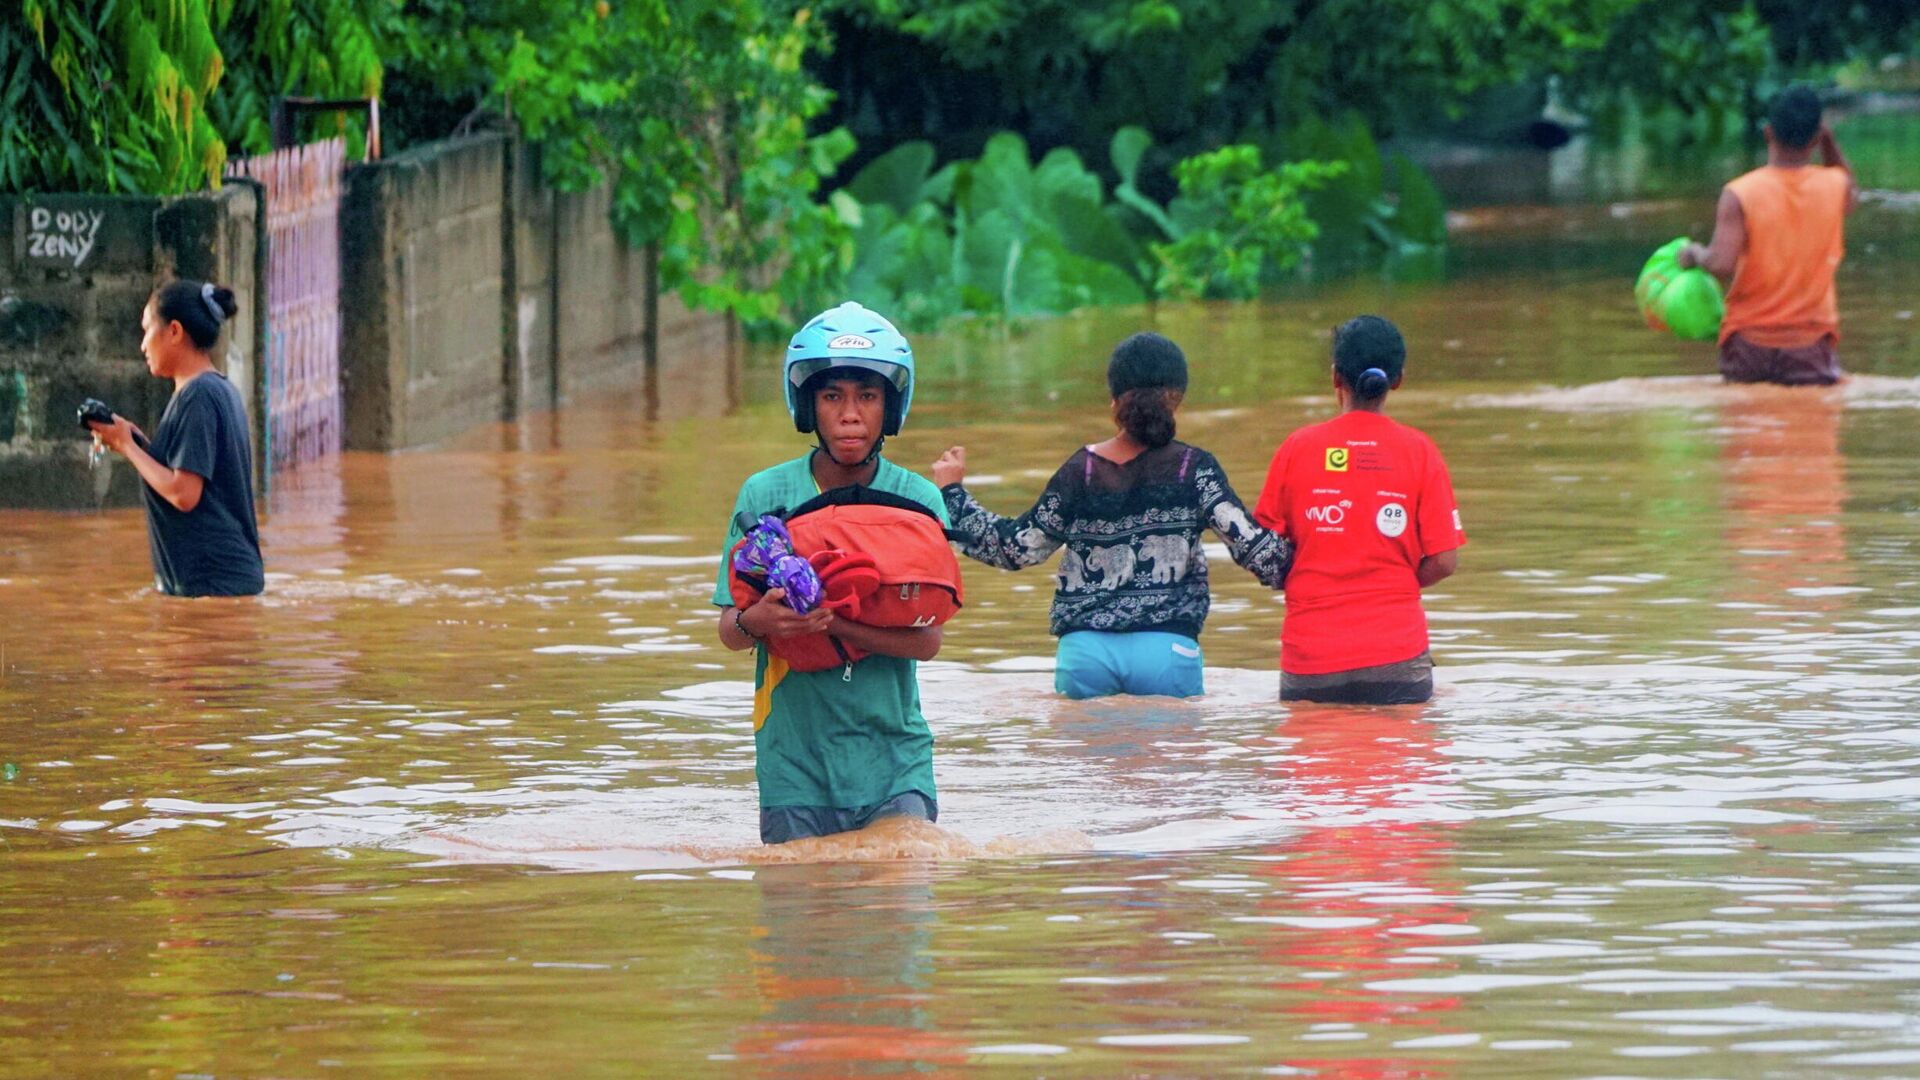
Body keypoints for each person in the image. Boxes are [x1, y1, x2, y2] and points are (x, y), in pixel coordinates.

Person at [933, 332, 1292, 700]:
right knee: (1174, 758)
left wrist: (952, 493)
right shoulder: (1193, 469)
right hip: (1166, 652)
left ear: (1113, 400)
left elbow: (1015, 548)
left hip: (1084, 655)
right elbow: (1259, 552)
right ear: (1177, 398)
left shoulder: (1080, 471)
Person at [713, 301, 948, 845]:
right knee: (803, 924)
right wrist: (761, 621)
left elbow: (928, 640)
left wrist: (832, 624)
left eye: (867, 397)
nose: (849, 414)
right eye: (832, 396)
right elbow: (730, 632)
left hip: (896, 759)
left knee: (898, 912)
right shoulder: (763, 496)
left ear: (889, 408)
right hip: (793, 764)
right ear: (808, 407)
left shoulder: (919, 500)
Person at [1253, 315, 1463, 705]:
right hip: (1396, 655)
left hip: (1311, 657)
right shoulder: (1421, 452)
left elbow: (1263, 550)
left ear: (1335, 376)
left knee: (1311, 763)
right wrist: (1391, 587)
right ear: (1397, 379)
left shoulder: (1296, 449)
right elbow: (1444, 561)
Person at [85, 279, 264, 598]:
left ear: (175, 332)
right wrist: (133, 439)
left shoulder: (198, 396)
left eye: (147, 330)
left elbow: (184, 494)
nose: (142, 345)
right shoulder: (217, 389)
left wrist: (127, 446)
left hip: (213, 588)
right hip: (222, 585)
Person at [1678, 84, 1856, 386]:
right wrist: (1829, 143)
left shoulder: (1740, 192)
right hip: (1809, 344)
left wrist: (1695, 254)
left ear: (1768, 133)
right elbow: (1852, 192)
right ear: (1816, 137)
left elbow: (1721, 263)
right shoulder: (1834, 185)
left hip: (1748, 344)